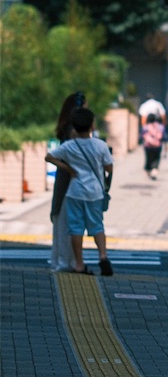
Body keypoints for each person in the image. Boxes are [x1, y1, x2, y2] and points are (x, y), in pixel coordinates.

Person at [45, 107, 114, 276]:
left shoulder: (69, 146)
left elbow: (49, 157)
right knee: (97, 226)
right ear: (92, 125)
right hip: (95, 193)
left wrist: (68, 169)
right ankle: (103, 256)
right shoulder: (100, 145)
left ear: (74, 127)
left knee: (76, 228)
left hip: (74, 192)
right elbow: (109, 167)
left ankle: (79, 264)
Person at [49, 91, 86, 272]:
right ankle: (66, 262)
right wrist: (71, 169)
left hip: (64, 179)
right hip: (71, 180)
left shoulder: (66, 128)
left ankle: (61, 260)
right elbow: (53, 157)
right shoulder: (74, 131)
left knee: (62, 221)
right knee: (68, 222)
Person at [141, 113, 165, 179]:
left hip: (148, 146)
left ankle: (148, 170)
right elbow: (163, 137)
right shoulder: (160, 127)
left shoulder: (145, 127)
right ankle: (154, 169)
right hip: (157, 146)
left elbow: (142, 136)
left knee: (148, 158)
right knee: (156, 158)